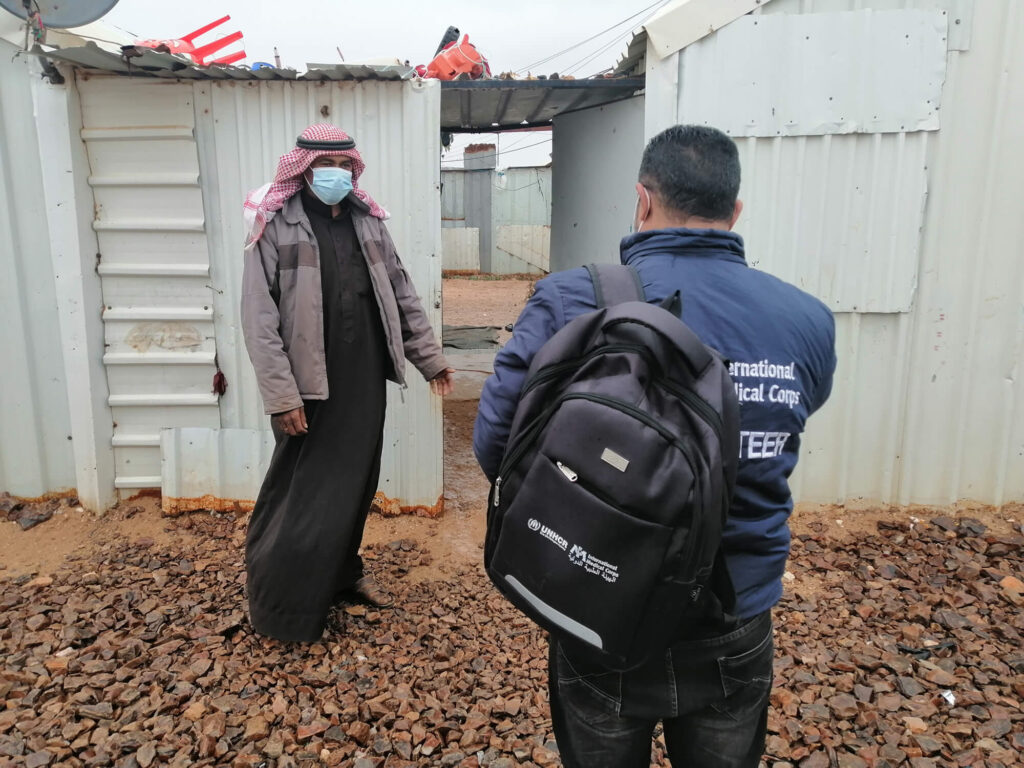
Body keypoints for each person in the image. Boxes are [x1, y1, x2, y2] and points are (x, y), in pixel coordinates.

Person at [473, 125, 836, 767]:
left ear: (642, 201)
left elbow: (495, 443)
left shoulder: (571, 301)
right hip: (736, 612)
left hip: (599, 595)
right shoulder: (806, 319)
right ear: (736, 211)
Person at [241, 123, 454, 643]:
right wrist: (282, 396)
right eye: (322, 167)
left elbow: (402, 294)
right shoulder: (275, 225)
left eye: (342, 166)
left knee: (356, 484)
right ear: (302, 171)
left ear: (353, 169)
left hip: (362, 380)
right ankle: (280, 605)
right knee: (302, 493)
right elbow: (257, 317)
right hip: (307, 387)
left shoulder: (369, 223)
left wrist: (431, 360)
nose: (333, 174)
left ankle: (342, 575)